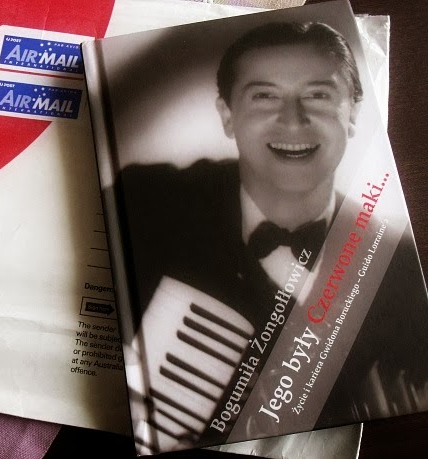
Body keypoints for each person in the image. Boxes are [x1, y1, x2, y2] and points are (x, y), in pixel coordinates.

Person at [113, 21, 428, 454]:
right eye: (264, 96)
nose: (292, 120)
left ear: (353, 113)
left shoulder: (402, 267)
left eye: (318, 95)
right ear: (227, 115)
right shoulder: (148, 200)